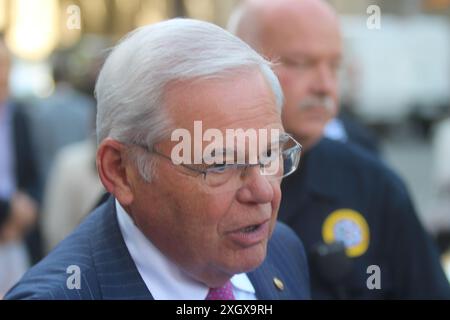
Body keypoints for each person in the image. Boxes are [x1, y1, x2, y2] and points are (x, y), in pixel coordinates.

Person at [5, 18, 310, 300]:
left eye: (269, 154)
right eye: (220, 163)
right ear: (121, 171)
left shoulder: (283, 250)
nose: (264, 192)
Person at [230, 0, 450, 299]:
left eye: (334, 66)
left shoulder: (374, 186)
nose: (325, 86)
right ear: (236, 65)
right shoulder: (196, 180)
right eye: (299, 62)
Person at [0, 39, 39, 296]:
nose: (4, 76)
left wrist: (28, 207)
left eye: (7, 67)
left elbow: (31, 174)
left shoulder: (19, 115)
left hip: (15, 236)